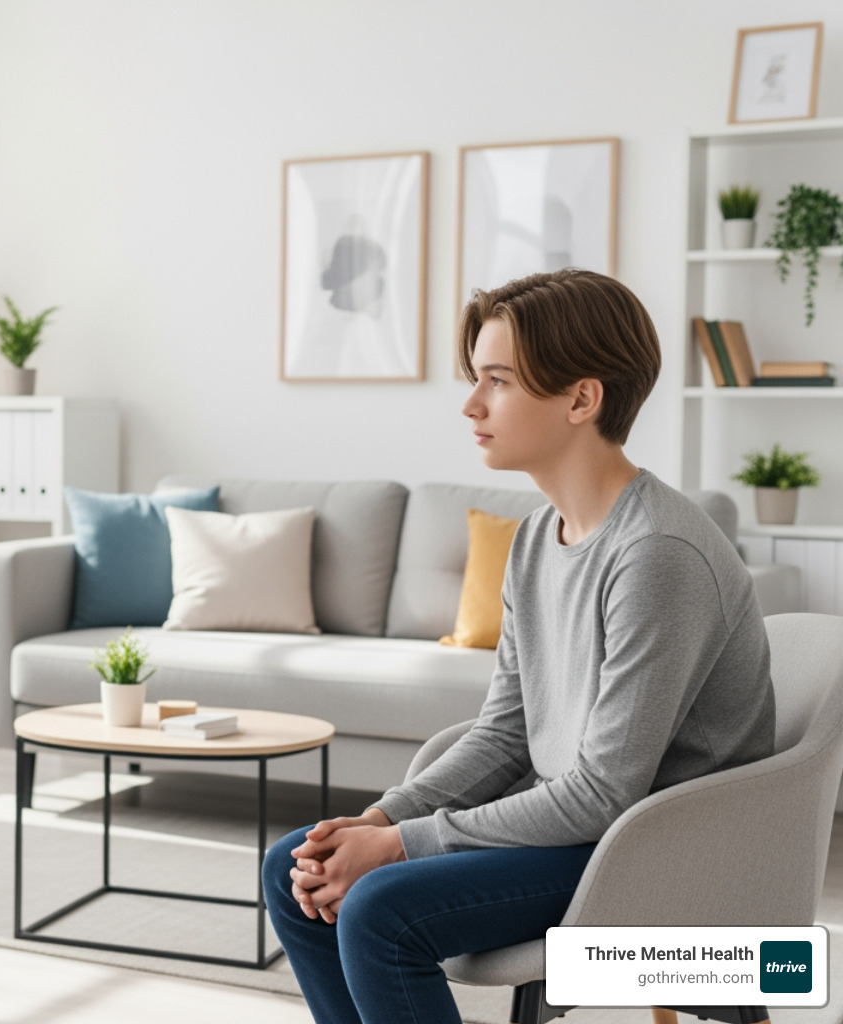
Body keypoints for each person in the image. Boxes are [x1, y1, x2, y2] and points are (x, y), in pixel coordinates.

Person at [263, 268, 776, 1023]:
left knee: (379, 909)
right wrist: (381, 818)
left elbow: (606, 793)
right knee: (293, 866)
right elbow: (506, 732)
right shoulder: (539, 537)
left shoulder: (658, 554)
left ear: (581, 397)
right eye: (477, 380)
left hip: (654, 847)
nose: (471, 405)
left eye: (497, 381)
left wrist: (406, 844)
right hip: (576, 826)